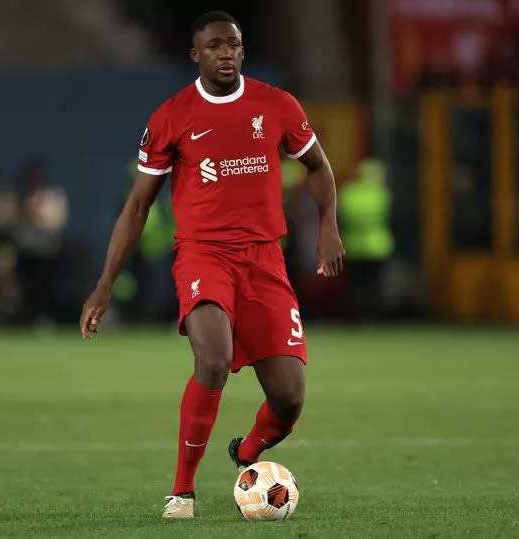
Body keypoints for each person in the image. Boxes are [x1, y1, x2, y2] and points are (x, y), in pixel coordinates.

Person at [79, 11, 344, 519]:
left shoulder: (276, 105)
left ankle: (247, 454)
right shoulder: (171, 117)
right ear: (195, 54)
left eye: (235, 44)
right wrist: (105, 283)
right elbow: (137, 208)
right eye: (216, 45)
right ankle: (183, 491)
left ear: (242, 51)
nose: (227, 53)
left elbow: (318, 165)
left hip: (266, 261)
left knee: (289, 402)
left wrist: (328, 223)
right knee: (214, 360)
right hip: (203, 256)